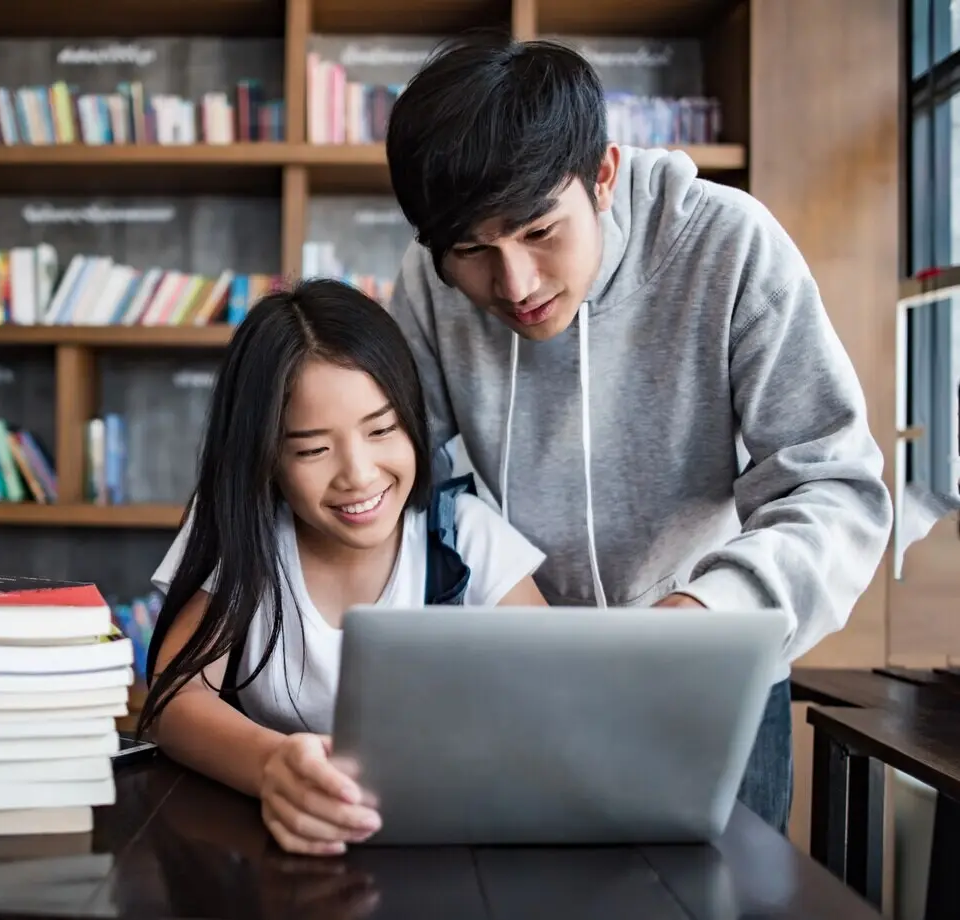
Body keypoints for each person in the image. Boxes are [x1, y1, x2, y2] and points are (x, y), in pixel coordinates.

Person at [378, 31, 894, 834]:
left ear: (605, 175)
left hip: (707, 668)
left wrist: (704, 616)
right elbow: (411, 484)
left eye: (540, 232)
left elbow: (835, 486)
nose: (513, 284)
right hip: (509, 670)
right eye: (473, 251)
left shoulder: (728, 245)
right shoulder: (427, 282)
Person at [137, 278, 548, 856]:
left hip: (448, 846)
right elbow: (176, 702)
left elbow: (556, 701)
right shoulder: (243, 530)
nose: (358, 473)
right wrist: (272, 764)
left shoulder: (464, 536)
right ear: (266, 461)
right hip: (280, 846)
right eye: (311, 449)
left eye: (382, 430)